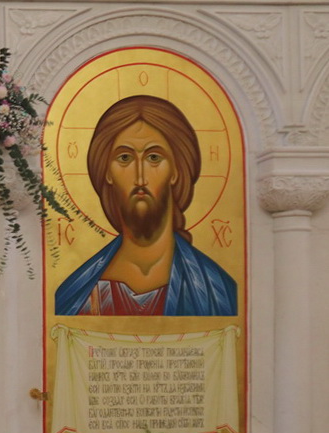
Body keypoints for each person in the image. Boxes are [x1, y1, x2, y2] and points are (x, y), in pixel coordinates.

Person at [54, 95, 238, 316]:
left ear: (176, 171)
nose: (140, 177)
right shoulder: (75, 296)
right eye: (124, 158)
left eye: (154, 158)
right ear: (107, 172)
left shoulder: (215, 291)